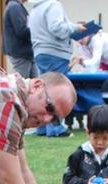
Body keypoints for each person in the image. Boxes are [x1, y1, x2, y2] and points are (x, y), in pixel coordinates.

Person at [29, 0, 84, 137]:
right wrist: (75, 27)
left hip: (40, 52)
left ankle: (41, 128)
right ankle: (56, 128)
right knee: (56, 92)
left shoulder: (35, 8)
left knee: (43, 91)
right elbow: (57, 28)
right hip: (55, 52)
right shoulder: (53, 5)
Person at [3, 0, 37, 79]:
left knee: (34, 85)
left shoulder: (16, 6)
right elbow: (22, 31)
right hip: (21, 54)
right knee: (20, 85)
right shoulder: (14, 7)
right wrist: (38, 31)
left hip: (26, 54)